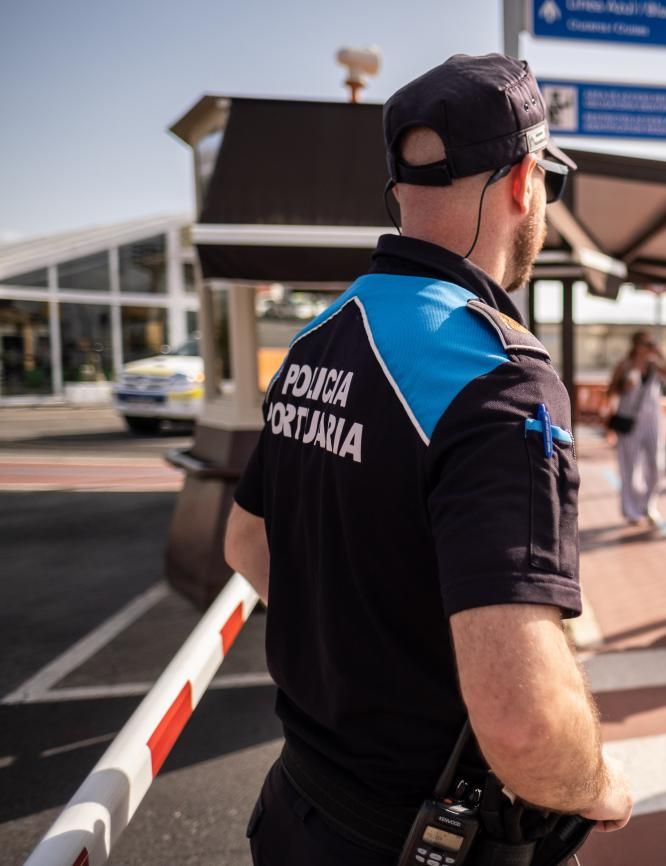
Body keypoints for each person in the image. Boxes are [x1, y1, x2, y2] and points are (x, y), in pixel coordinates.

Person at [223, 54, 631, 865]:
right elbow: (522, 726)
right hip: (423, 841)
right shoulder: (496, 375)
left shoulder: (322, 332)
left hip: (297, 814)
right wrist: (599, 785)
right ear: (524, 182)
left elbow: (245, 543)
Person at [608, 331, 666, 525]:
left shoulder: (655, 365)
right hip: (629, 419)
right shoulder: (625, 365)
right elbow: (611, 391)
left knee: (657, 464)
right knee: (630, 467)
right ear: (635, 345)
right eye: (645, 343)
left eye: (650, 343)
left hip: (653, 419)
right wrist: (624, 386)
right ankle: (631, 510)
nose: (648, 347)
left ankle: (649, 504)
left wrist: (661, 354)